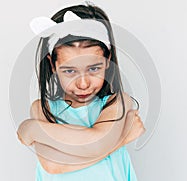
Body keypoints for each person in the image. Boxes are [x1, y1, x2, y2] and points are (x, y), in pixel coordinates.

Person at [17, 2, 145, 181]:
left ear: (107, 60)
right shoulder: (42, 109)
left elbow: (98, 142)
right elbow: (52, 165)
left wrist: (34, 129)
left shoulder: (116, 103)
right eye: (70, 71)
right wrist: (120, 139)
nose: (83, 83)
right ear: (53, 65)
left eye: (93, 69)